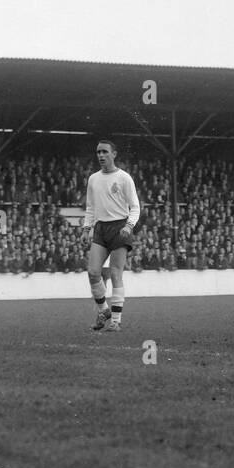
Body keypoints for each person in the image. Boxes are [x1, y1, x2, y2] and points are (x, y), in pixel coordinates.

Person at [83, 139, 140, 331]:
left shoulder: (124, 178)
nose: (101, 155)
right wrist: (86, 228)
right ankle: (104, 310)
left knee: (116, 273)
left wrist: (129, 226)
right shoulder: (93, 179)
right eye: (98, 152)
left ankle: (115, 321)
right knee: (92, 272)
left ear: (114, 154)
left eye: (105, 152)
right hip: (100, 228)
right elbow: (90, 207)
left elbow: (135, 207)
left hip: (119, 228)